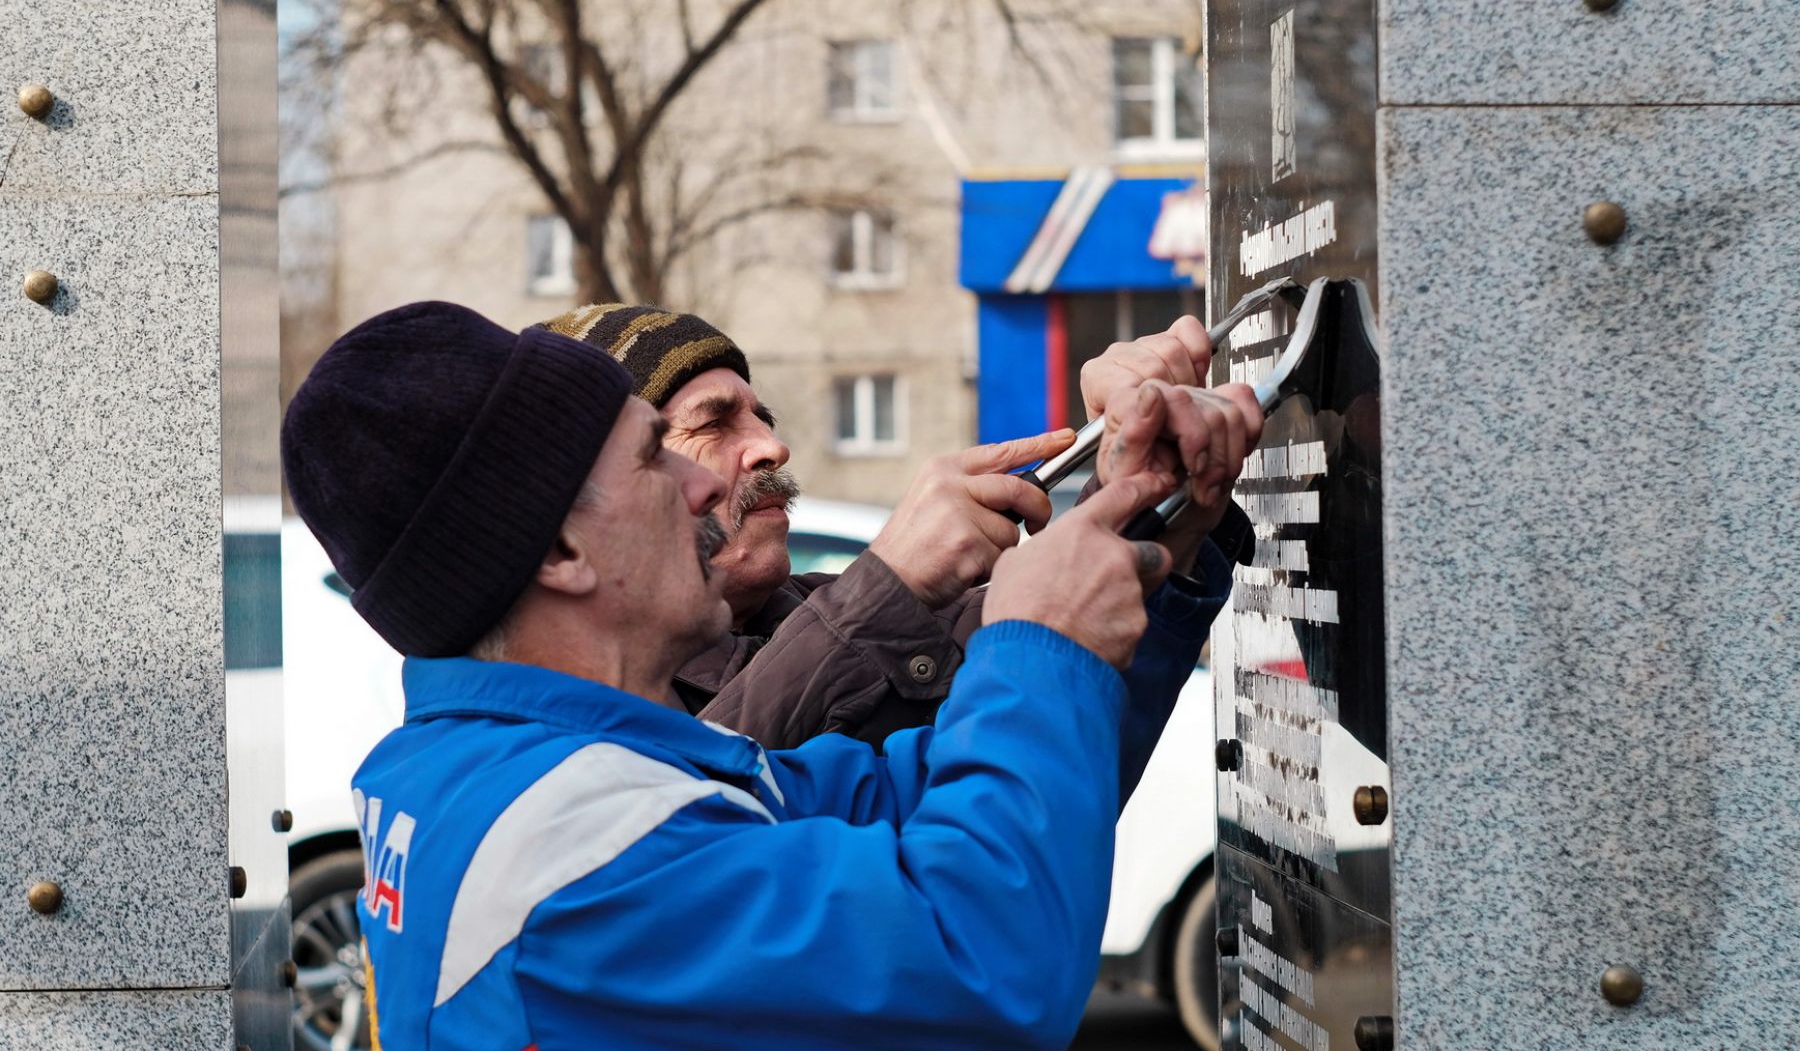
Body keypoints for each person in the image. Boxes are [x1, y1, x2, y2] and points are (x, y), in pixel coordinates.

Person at [281, 300, 1262, 1049]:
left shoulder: (543, 765)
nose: (705, 485)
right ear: (559, 553)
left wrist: (1152, 514)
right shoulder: (571, 846)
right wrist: (1040, 644)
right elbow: (984, 958)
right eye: (649, 458)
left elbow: (903, 794)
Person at [542, 303, 1247, 750]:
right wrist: (887, 583)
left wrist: (1151, 478)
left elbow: (1055, 712)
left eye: (765, 419)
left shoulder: (848, 619)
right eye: (715, 422)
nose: (771, 447)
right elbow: (686, 814)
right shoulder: (556, 714)